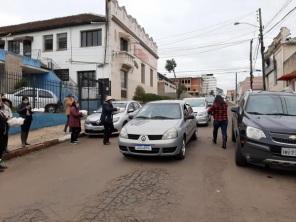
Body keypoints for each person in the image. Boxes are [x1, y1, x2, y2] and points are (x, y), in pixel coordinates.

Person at [0, 97, 8, 171]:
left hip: (2, 133)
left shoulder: (1, 112)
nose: (2, 102)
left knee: (1, 149)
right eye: (0, 101)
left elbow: (4, 120)